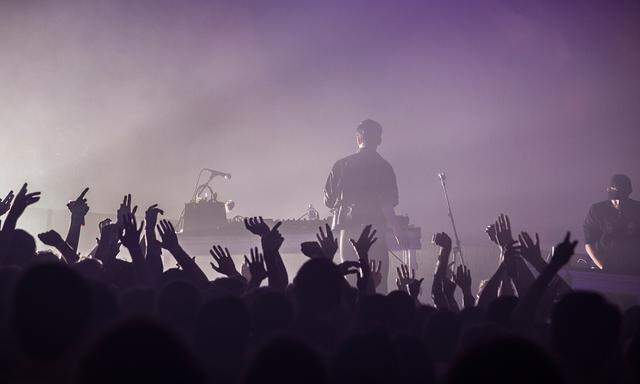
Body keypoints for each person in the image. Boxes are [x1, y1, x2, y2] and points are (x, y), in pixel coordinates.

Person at [323, 119, 401, 293]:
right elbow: (387, 205)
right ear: (379, 140)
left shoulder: (342, 165)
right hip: (376, 232)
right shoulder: (385, 167)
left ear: (358, 138)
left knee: (350, 282)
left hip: (349, 231)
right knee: (377, 284)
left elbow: (328, 200)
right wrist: (397, 231)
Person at [583, 174, 640, 275]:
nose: (618, 203)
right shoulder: (597, 210)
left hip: (633, 268)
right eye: (614, 201)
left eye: (621, 199)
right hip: (604, 266)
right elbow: (589, 243)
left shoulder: (637, 210)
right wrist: (602, 266)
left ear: (628, 192)